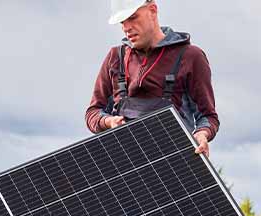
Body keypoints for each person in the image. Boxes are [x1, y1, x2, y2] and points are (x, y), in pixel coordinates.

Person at [86, 0, 219, 156]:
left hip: (176, 167)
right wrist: (109, 121)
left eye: (133, 17)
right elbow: (93, 113)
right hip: (122, 166)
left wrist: (202, 134)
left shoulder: (190, 56)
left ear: (152, 10)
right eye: (122, 22)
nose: (126, 27)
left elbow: (208, 116)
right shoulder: (115, 57)